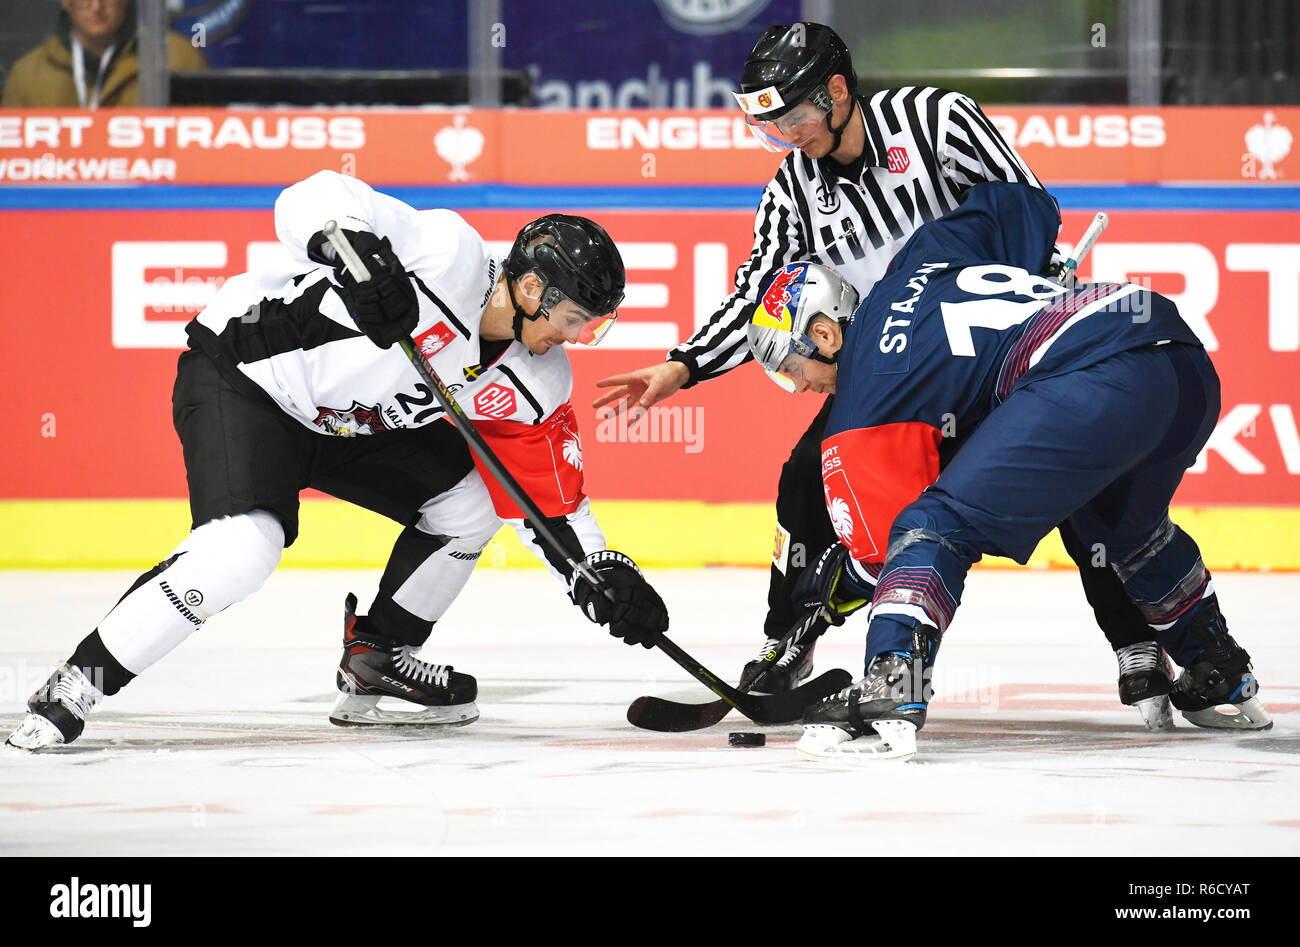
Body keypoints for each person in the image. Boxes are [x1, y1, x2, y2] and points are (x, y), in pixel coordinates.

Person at [592, 21, 1171, 725]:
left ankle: (1136, 640)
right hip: (887, 375)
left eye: (795, 117)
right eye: (771, 126)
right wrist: (683, 365)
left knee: (1083, 465)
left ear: (838, 91)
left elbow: (1028, 207)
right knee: (807, 476)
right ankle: (787, 640)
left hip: (986, 349)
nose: (787, 136)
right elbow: (757, 291)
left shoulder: (937, 121)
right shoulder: (792, 192)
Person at [7, 170, 669, 750]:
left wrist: (601, 574)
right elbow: (311, 197)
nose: (578, 338)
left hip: (349, 424)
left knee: (470, 502)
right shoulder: (448, 255)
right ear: (528, 285)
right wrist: (354, 252)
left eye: (594, 326)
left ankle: (378, 656)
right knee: (242, 549)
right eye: (578, 318)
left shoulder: (538, 380)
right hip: (247, 381)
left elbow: (549, 504)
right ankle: (76, 684)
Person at [741, 181, 1273, 759]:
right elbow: (1021, 204)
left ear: (824, 332)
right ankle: (1216, 666)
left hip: (1091, 380)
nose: (797, 386)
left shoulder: (861, 403)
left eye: (790, 366)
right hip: (1176, 357)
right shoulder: (921, 257)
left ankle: (893, 687)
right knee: (1126, 531)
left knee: (933, 523)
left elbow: (887, 553)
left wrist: (830, 591)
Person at [2, 0, 206, 108]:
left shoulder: (175, 57)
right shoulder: (27, 75)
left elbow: (203, 148)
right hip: (59, 187)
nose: (97, 7)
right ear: (66, 2)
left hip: (149, 186)